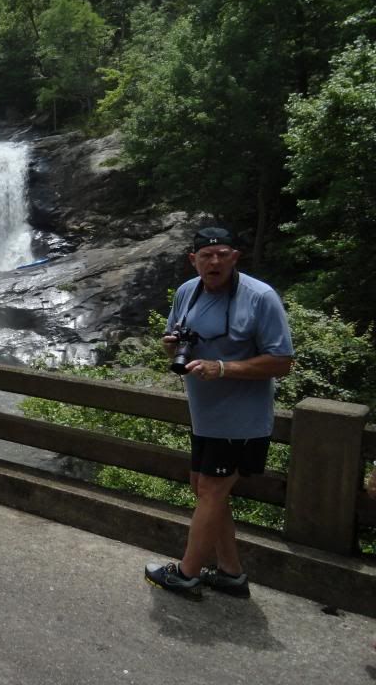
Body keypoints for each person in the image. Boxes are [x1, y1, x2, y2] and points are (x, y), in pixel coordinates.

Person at [145, 226, 294, 600]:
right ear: (192, 260)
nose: (214, 261)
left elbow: (282, 361)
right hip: (204, 414)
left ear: (234, 257)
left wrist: (223, 368)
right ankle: (230, 573)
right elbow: (175, 348)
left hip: (242, 418)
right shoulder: (186, 292)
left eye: (222, 254)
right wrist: (172, 348)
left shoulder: (260, 297)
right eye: (206, 255)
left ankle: (185, 573)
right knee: (205, 489)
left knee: (212, 489)